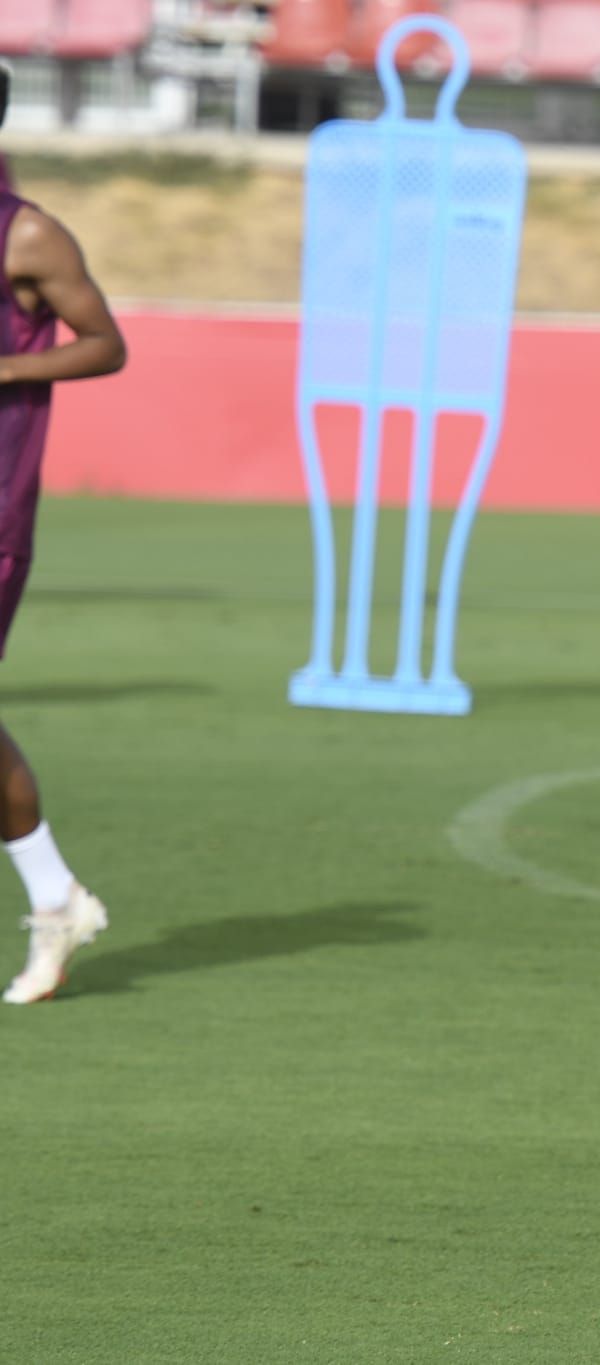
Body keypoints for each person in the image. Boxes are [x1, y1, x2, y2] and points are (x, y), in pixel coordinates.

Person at [0, 66, 128, 1004]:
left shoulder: (28, 232)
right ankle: (57, 898)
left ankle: (55, 898)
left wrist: (6, 364)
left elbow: (106, 342)